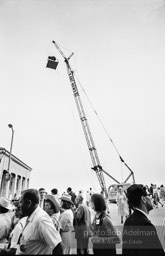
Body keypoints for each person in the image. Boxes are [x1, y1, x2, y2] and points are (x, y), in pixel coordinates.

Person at [122, 184, 165, 256]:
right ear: (143, 199)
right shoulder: (146, 225)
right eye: (149, 196)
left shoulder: (128, 220)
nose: (151, 198)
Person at [17, 189, 62, 254]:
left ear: (29, 203)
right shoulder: (30, 217)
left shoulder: (41, 220)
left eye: (21, 202)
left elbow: (57, 246)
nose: (19, 205)